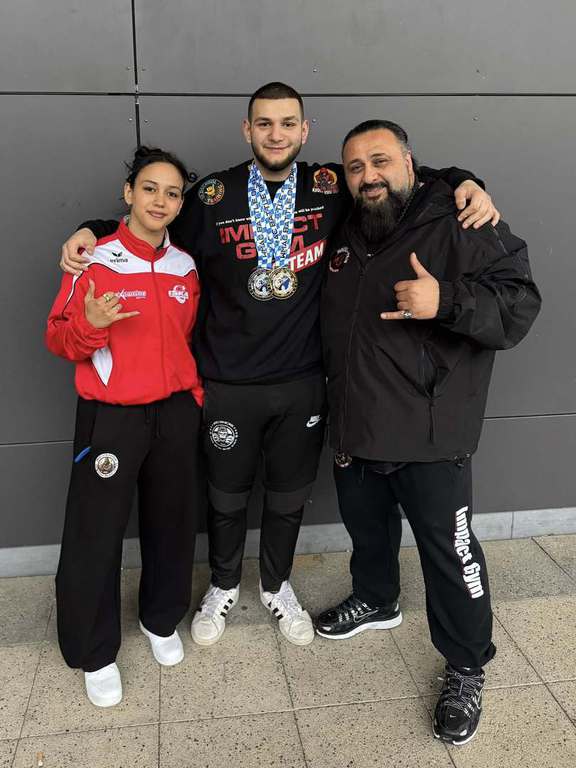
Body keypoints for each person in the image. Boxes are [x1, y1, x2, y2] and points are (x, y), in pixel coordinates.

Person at [57, 82, 500, 648]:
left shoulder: (332, 185)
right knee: (225, 497)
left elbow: (396, 178)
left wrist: (466, 180)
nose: (276, 134)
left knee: (289, 497)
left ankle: (276, 584)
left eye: (288, 123)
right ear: (247, 129)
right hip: (228, 381)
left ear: (304, 130)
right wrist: (93, 230)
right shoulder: (212, 195)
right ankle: (222, 584)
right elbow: (150, 223)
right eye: (264, 123)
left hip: (302, 380)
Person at [317, 120, 541, 744]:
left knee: (451, 555)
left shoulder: (461, 219)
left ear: (411, 163)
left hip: (431, 432)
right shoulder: (348, 221)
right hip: (356, 424)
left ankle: (467, 665)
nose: (369, 176)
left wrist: (445, 301)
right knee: (367, 530)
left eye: (381, 161)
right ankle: (377, 598)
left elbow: (520, 304)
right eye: (356, 167)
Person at [46, 147, 203, 707]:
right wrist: (89, 324)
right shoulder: (93, 259)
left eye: (172, 193)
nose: (160, 200)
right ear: (129, 193)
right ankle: (94, 650)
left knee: (173, 522)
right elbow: (59, 339)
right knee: (95, 532)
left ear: (180, 204)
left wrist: (193, 397)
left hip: (175, 413)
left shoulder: (186, 266)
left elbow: (187, 339)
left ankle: (160, 618)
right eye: (150, 188)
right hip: (111, 417)